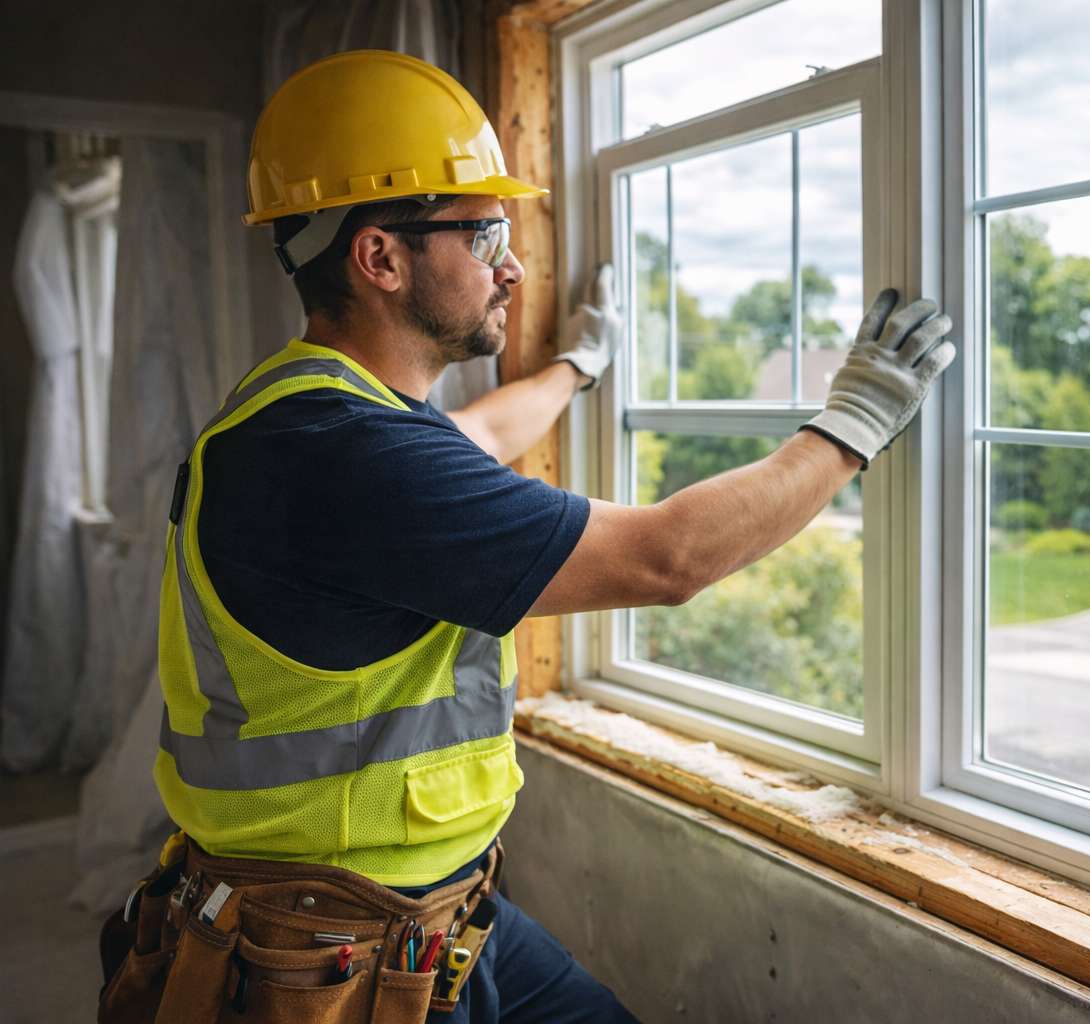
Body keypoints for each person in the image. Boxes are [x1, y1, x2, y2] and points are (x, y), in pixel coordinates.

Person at [146, 50, 953, 1024]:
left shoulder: (301, 410)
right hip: (328, 959)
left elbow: (476, 433)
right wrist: (853, 423)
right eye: (484, 231)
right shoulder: (345, 454)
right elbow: (669, 556)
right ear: (381, 257)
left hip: (430, 914)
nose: (513, 264)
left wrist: (576, 366)